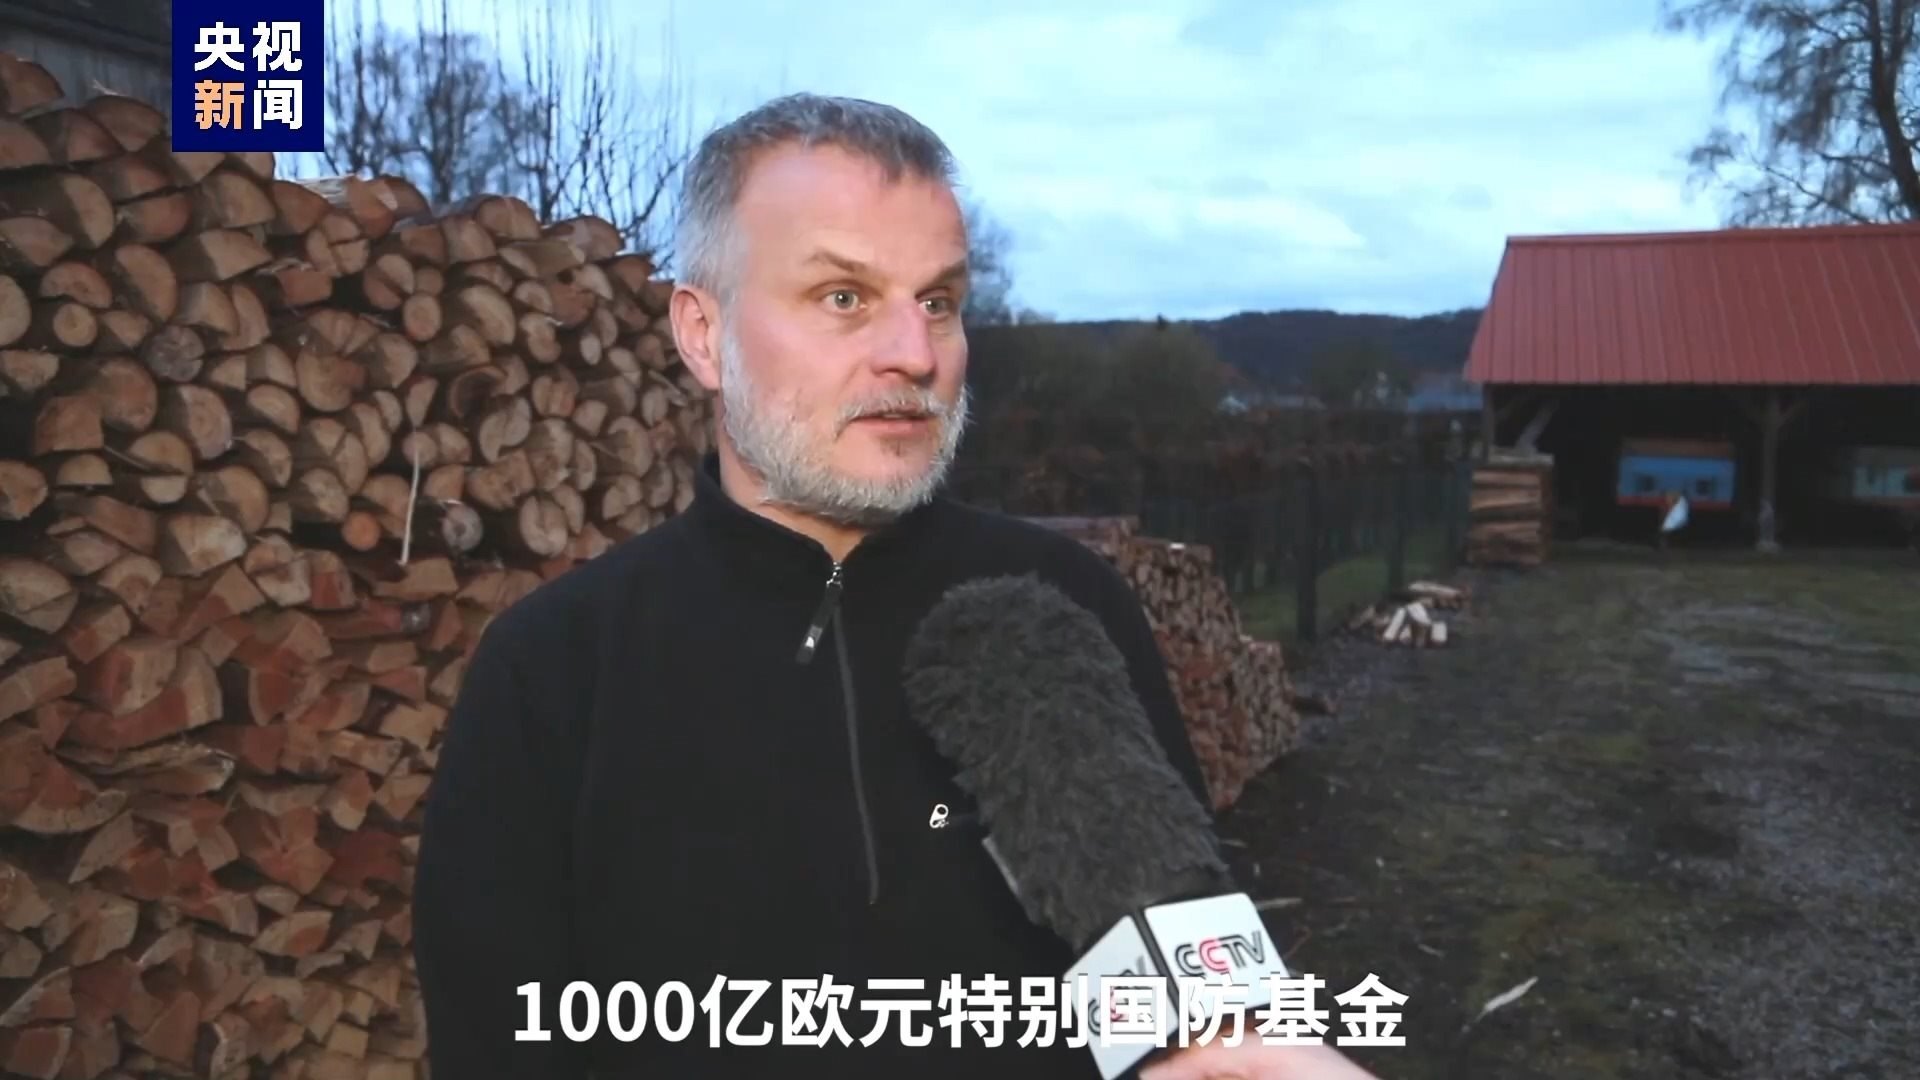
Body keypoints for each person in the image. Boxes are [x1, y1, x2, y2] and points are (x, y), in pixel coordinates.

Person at [413, 92, 1381, 1080]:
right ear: (703, 335)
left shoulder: (1065, 606)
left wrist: (1225, 1045)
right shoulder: (556, 670)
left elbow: (1184, 973)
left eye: (939, 302)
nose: (915, 355)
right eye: (844, 297)